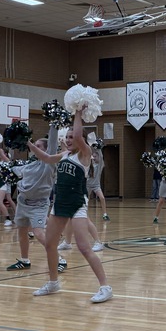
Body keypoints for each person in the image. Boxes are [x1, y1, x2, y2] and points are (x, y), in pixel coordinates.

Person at [29, 107, 112, 303]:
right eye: (66, 137)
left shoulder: (85, 153)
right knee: (50, 244)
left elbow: (78, 135)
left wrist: (77, 113)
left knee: (84, 247)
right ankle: (53, 282)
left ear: (79, 139)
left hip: (77, 204)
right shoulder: (64, 155)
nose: (68, 139)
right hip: (59, 204)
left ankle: (105, 287)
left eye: (71, 137)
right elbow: (47, 158)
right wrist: (29, 144)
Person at [3, 126, 66, 273]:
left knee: (38, 233)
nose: (34, 148)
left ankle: (60, 258)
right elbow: (13, 169)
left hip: (38, 205)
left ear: (45, 150)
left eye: (38, 146)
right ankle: (24, 260)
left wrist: (53, 125)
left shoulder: (49, 164)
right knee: (22, 231)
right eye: (34, 146)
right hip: (22, 203)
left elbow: (52, 144)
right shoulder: (29, 164)